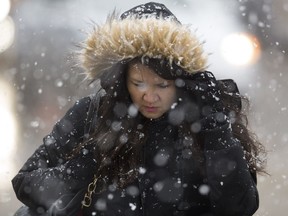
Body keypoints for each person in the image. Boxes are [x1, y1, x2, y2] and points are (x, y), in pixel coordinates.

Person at [12, 2, 266, 216]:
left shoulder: (207, 120)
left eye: (162, 84)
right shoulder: (92, 114)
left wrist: (216, 131)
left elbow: (240, 208)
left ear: (180, 83)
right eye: (138, 83)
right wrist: (85, 162)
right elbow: (26, 183)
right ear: (121, 80)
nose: (150, 96)